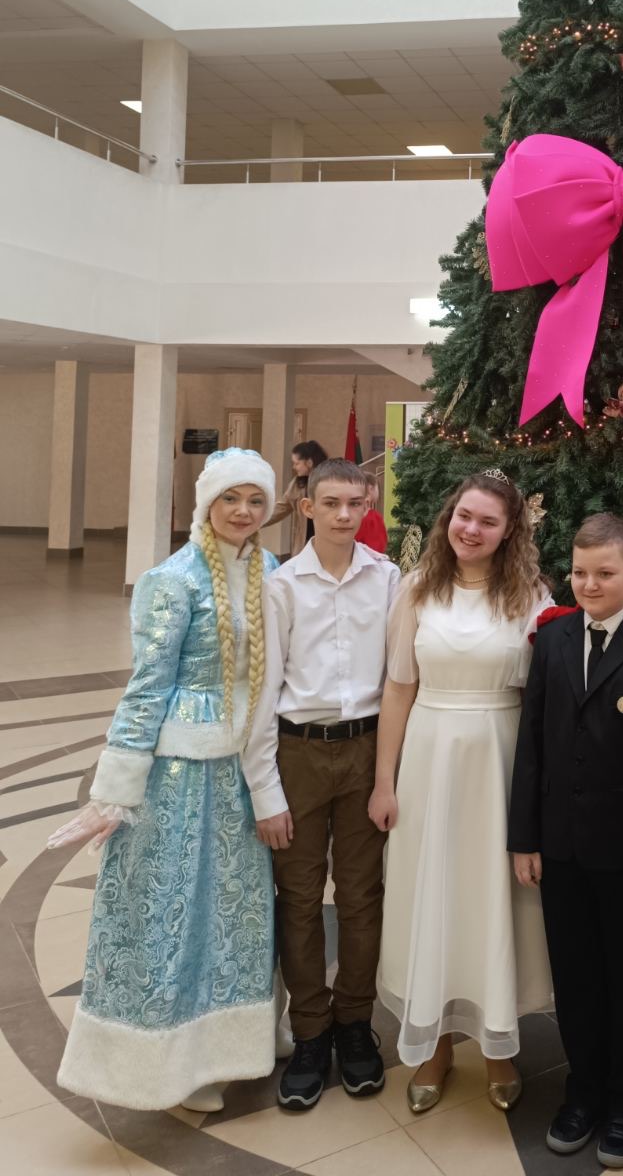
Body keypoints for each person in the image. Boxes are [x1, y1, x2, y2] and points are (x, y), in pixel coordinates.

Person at [54, 448, 280, 1113]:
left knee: (234, 913)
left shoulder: (272, 572)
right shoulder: (172, 579)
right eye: (231, 498)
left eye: (256, 500)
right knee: (171, 911)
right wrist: (115, 791)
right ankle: (162, 1062)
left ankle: (236, 1044)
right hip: (178, 776)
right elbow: (147, 687)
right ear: (207, 503)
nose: (243, 511)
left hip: (243, 770)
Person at [509, 513, 623, 1170]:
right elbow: (532, 745)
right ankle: (582, 1093)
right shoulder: (553, 642)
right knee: (577, 978)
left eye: (605, 573)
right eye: (581, 573)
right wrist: (525, 838)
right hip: (562, 849)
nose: (590, 584)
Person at [371, 469, 552, 1114]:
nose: (470, 530)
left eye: (487, 522)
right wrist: (384, 780)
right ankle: (436, 1044)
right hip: (429, 759)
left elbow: (541, 696)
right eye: (463, 516)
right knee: (434, 893)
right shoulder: (417, 588)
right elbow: (399, 687)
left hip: (500, 758)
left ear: (509, 531)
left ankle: (499, 1044)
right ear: (449, 518)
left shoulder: (529, 595)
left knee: (490, 897)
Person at [243, 457, 400, 1110]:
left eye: (355, 503)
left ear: (368, 505)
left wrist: (389, 774)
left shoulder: (387, 578)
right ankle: (309, 1031)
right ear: (306, 507)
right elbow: (262, 691)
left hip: (365, 749)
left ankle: (354, 1022)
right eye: (330, 503)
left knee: (362, 895)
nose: (343, 515)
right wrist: (265, 791)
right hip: (299, 753)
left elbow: (398, 678)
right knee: (300, 896)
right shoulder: (282, 586)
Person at [265, 440, 328, 558]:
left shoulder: (330, 480)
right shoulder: (298, 484)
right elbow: (282, 507)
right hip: (304, 544)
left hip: (328, 542)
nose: (294, 467)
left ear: (309, 462)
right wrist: (257, 519)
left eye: (296, 463)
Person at [355, 474, 389, 554]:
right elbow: (378, 546)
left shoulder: (352, 515)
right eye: (378, 487)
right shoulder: (373, 518)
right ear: (370, 488)